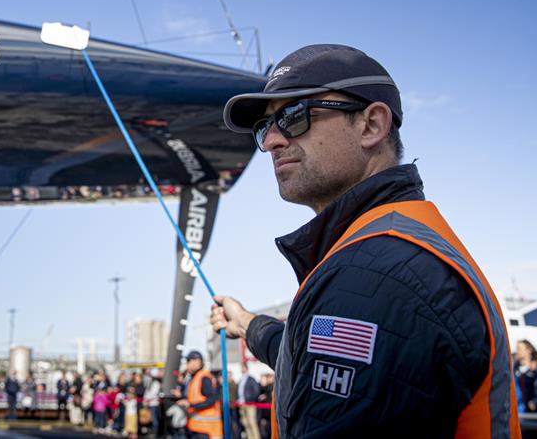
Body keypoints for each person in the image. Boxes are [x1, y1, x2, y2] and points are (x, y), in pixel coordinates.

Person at [211, 44, 520, 438]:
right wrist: (248, 323)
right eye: (264, 127)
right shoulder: (384, 249)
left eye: (293, 116)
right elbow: (306, 349)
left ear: (371, 125)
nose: (271, 140)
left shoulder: (377, 272)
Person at [175, 350, 223, 439]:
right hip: (197, 427)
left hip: (206, 429)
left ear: (197, 362)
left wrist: (190, 405)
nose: (187, 365)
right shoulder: (195, 378)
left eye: (188, 362)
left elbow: (211, 400)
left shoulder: (204, 378)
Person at [237, 364, 261, 439]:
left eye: (243, 368)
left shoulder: (251, 379)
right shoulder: (241, 379)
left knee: (252, 422)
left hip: (250, 404)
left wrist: (250, 399)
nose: (241, 369)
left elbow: (256, 391)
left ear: (246, 369)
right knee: (245, 423)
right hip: (242, 404)